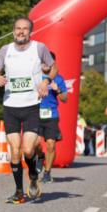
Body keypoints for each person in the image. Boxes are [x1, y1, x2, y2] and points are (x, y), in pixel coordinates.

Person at [0, 17, 57, 204]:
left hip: (31, 106)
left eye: (25, 29)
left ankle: (34, 176)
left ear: (30, 32)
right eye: (18, 29)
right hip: (10, 105)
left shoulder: (39, 48)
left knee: (28, 151)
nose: (21, 32)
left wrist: (46, 81)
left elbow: (54, 68)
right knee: (14, 151)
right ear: (13, 31)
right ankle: (19, 191)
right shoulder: (5, 50)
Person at [35, 55, 68, 183]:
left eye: (46, 62)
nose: (44, 64)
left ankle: (47, 173)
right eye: (42, 61)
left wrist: (57, 90)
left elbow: (65, 99)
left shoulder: (58, 79)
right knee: (36, 143)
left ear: (51, 63)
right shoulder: (35, 77)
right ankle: (40, 156)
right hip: (35, 114)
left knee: (51, 144)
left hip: (51, 115)